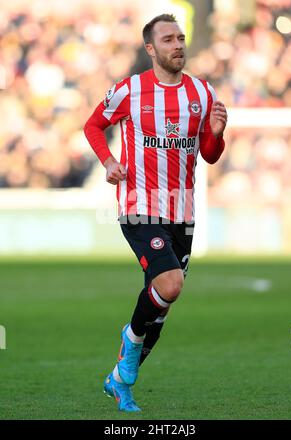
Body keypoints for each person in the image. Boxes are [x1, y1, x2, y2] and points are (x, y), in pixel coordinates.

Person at [84, 13, 227, 412]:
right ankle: (128, 345)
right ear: (151, 49)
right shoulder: (129, 90)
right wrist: (110, 162)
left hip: (183, 211)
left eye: (180, 38)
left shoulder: (201, 92)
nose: (177, 44)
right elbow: (93, 126)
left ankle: (120, 380)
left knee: (159, 314)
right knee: (171, 284)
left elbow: (209, 157)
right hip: (139, 206)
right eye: (168, 39)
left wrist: (216, 135)